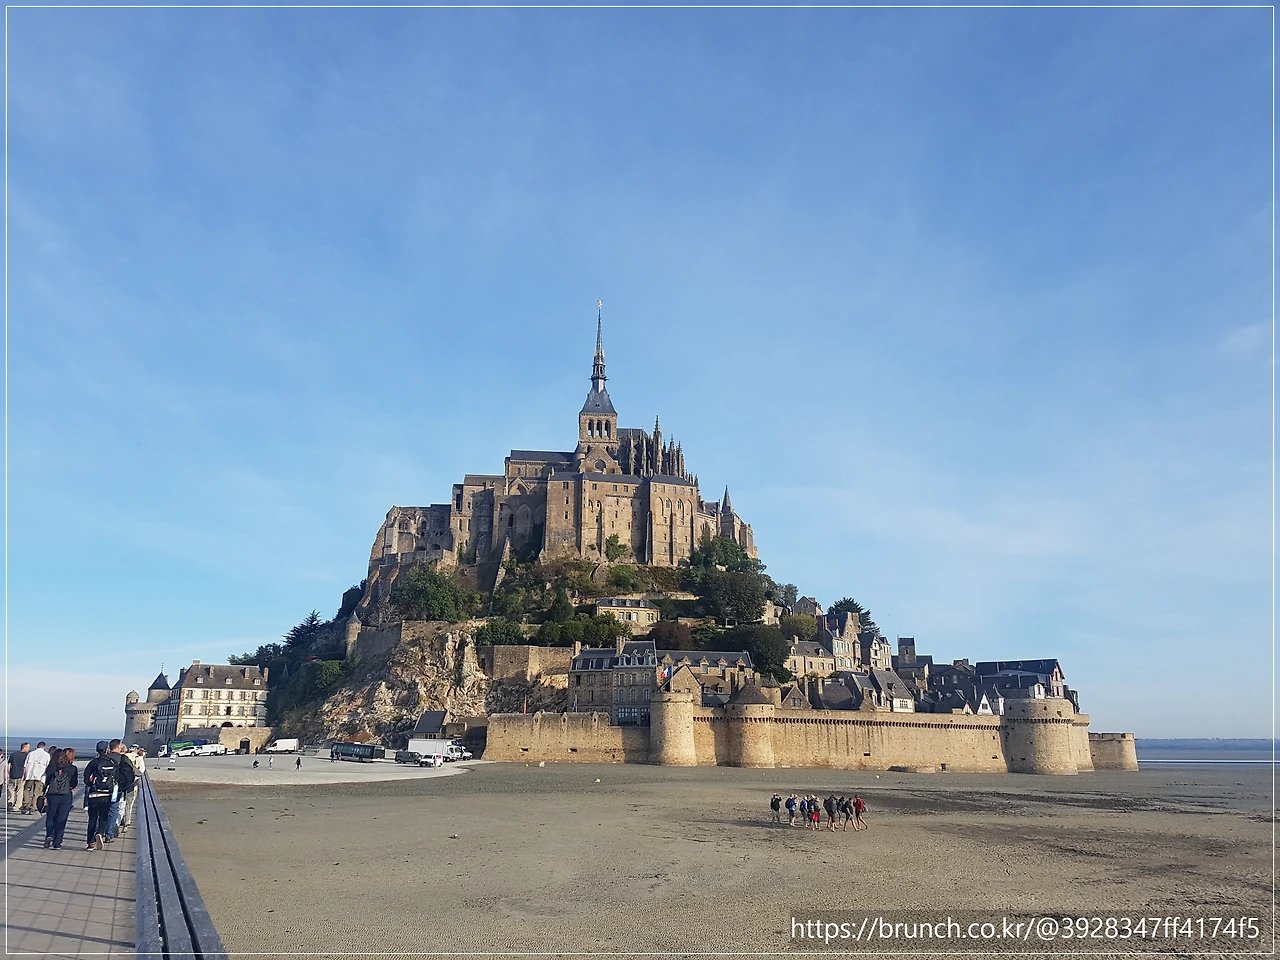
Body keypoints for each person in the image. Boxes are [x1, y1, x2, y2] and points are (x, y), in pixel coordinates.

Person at [83, 742, 120, 850]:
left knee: (92, 819)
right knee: (103, 817)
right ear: (107, 749)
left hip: (94, 794)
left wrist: (91, 785)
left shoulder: (93, 762)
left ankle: (90, 843)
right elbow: (117, 776)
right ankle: (100, 832)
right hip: (107, 794)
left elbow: (86, 778)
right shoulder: (112, 762)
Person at [42, 748, 78, 849]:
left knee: (51, 817)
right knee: (61, 818)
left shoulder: (53, 766)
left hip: (52, 794)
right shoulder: (72, 768)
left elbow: (47, 781)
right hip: (65, 795)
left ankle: (49, 835)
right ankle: (57, 842)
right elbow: (74, 783)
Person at [104, 740, 136, 841]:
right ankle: (109, 834)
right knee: (113, 810)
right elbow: (131, 774)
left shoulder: (104, 757)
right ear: (118, 747)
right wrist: (125, 787)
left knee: (102, 811)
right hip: (117, 789)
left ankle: (99, 831)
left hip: (102, 788)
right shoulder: (123, 758)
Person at [117, 746, 146, 835]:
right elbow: (141, 771)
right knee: (129, 803)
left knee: (119, 803)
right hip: (131, 784)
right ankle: (126, 822)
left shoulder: (122, 757)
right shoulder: (138, 758)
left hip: (119, 784)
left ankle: (118, 821)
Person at [21, 741, 50, 814]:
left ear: (37, 746)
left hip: (30, 775)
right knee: (37, 792)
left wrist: (24, 775)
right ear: (44, 747)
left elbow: (25, 765)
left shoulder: (31, 753)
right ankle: (33, 806)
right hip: (40, 776)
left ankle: (26, 804)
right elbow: (48, 766)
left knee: (26, 790)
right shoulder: (46, 755)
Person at [6, 743, 28, 810]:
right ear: (24, 747)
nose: (28, 749)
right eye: (28, 747)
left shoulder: (13, 754)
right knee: (19, 791)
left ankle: (10, 801)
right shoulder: (27, 756)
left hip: (12, 775)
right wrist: (24, 775)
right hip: (20, 776)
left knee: (11, 790)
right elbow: (25, 767)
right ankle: (17, 806)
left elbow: (9, 766)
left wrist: (9, 773)